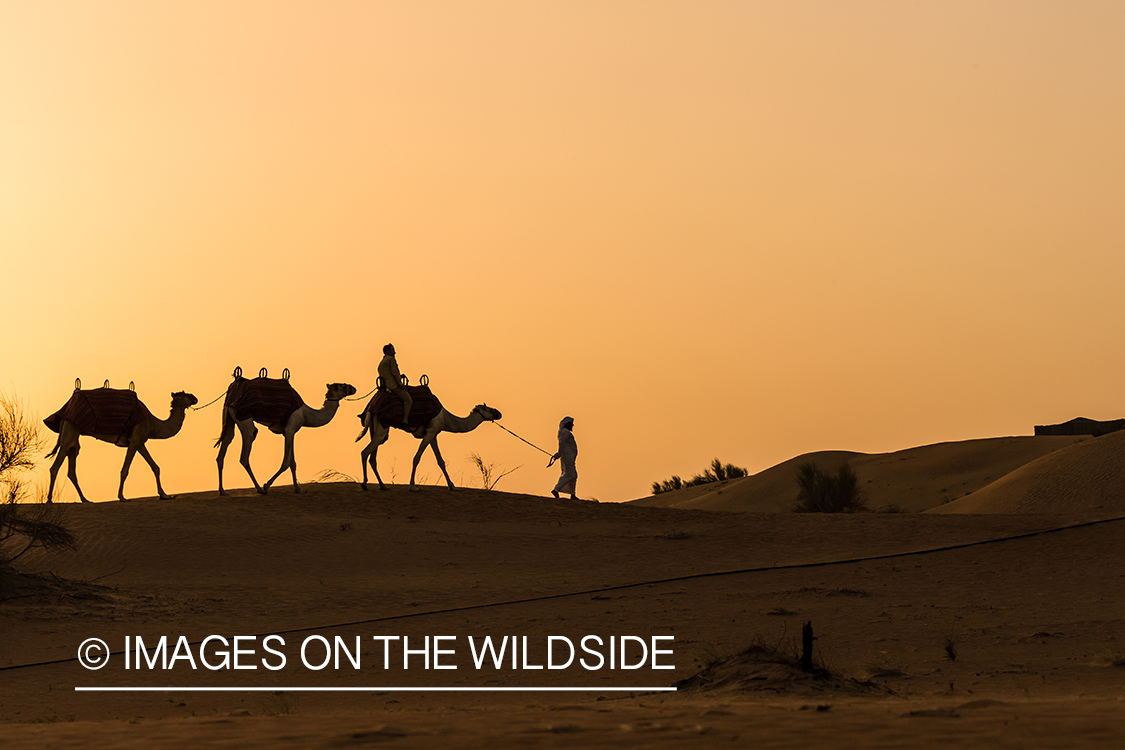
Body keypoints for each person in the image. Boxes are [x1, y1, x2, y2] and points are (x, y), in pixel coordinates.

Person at [378, 343, 413, 428]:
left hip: (385, 386)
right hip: (393, 386)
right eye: (392, 350)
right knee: (408, 400)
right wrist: (401, 385)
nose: (394, 352)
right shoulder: (391, 360)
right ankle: (405, 420)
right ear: (388, 351)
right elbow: (394, 373)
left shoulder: (382, 362)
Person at [550, 416, 578, 500]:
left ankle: (572, 494)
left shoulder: (566, 432)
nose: (572, 426)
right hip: (567, 456)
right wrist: (559, 453)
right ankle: (556, 489)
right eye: (571, 424)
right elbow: (562, 443)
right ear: (567, 424)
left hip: (570, 457)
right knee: (569, 474)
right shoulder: (565, 432)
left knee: (573, 475)